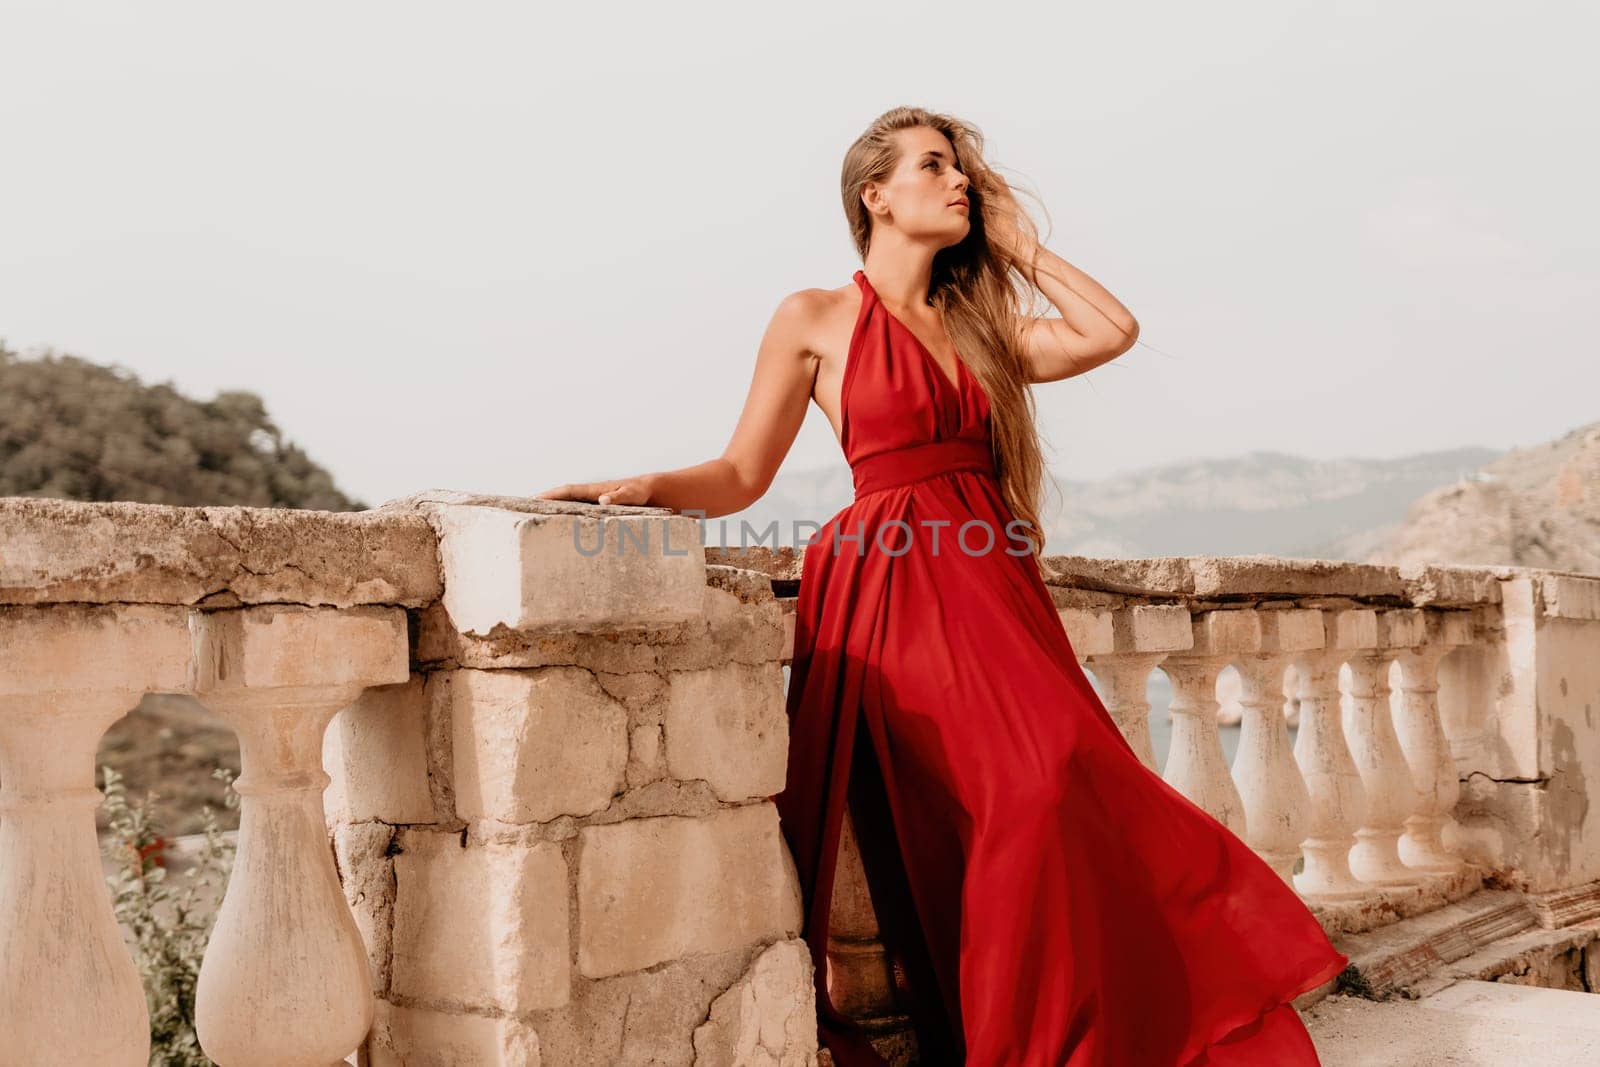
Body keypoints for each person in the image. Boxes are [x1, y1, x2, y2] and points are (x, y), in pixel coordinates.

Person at [538, 105, 1349, 1066]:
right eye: (934, 165)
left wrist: (1018, 243)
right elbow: (743, 475)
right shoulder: (815, 317)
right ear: (874, 194)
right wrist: (645, 489)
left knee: (1067, 783)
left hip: (992, 581)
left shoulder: (982, 325)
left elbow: (1112, 329)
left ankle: (1064, 1034)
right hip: (890, 587)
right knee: (1020, 797)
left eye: (962, 168)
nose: (959, 179)